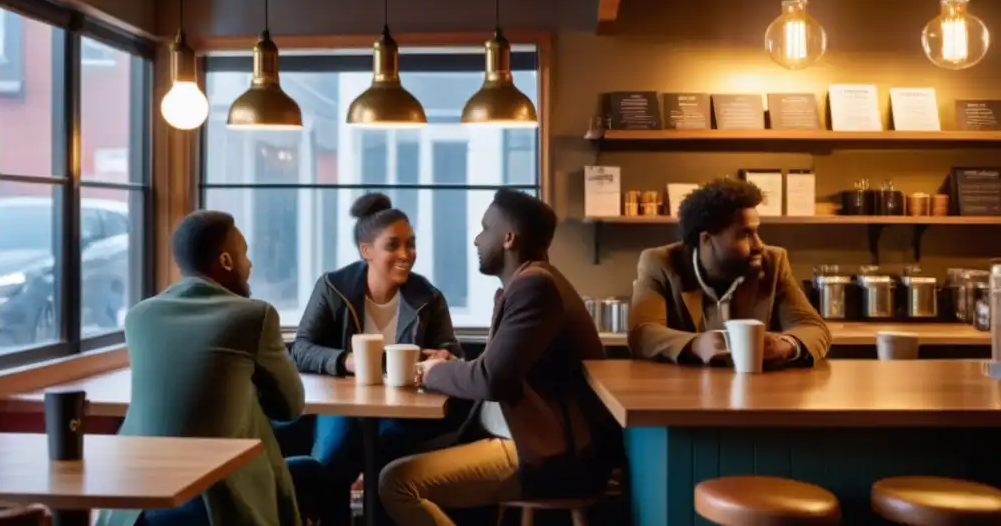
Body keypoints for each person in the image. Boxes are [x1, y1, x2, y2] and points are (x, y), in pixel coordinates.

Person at [378, 189, 622, 526]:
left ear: (508, 239)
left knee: (397, 483)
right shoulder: (533, 282)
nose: (477, 240)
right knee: (393, 448)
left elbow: (493, 380)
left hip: (548, 455)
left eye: (485, 228)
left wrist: (430, 373)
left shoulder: (535, 288)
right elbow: (498, 369)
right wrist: (450, 366)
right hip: (528, 439)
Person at [97, 210, 324, 526]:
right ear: (227, 261)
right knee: (313, 472)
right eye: (244, 254)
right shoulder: (254, 316)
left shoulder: (139, 317)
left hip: (135, 502)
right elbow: (290, 406)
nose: (250, 264)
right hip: (216, 502)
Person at [291, 193, 465, 526]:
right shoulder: (333, 287)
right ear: (366, 250)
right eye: (393, 246)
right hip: (342, 404)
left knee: (392, 456)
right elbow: (301, 348)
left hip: (400, 406)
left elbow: (451, 349)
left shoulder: (428, 297)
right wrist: (346, 361)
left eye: (411, 245)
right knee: (331, 456)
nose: (405, 255)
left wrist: (445, 355)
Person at [629, 177, 831, 367]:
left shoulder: (773, 262)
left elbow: (813, 327)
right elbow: (642, 332)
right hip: (685, 392)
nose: (759, 245)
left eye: (757, 231)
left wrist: (786, 345)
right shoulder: (661, 262)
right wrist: (696, 345)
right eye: (745, 234)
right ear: (706, 240)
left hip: (757, 390)